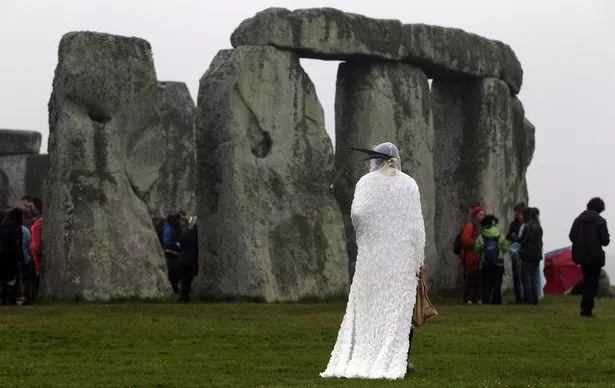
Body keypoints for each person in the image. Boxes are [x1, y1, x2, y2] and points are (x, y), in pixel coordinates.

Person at [321, 142, 425, 379]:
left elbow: (358, 214)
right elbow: (417, 226)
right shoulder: (409, 184)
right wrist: (419, 258)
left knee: (371, 306)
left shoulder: (366, 183)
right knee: (399, 309)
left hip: (374, 257)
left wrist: (368, 236)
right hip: (402, 257)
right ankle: (399, 358)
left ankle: (366, 354)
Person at [569, 197, 610, 317]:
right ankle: (587, 309)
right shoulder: (601, 221)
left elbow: (572, 236)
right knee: (592, 283)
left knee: (586, 280)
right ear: (600, 208)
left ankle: (584, 308)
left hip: (581, 256)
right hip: (595, 256)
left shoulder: (578, 220)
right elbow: (605, 241)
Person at [475, 215, 509, 304]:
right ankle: (497, 301)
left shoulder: (481, 236)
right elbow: (505, 248)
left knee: (486, 283)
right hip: (499, 263)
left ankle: (486, 300)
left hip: (485, 263)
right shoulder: (500, 235)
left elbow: (476, 248)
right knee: (497, 283)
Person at [518, 207, 543, 304]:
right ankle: (534, 299)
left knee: (526, 278)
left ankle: (528, 299)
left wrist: (515, 237)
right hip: (537, 255)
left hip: (527, 254)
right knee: (533, 278)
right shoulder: (539, 227)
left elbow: (522, 240)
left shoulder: (528, 226)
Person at [460, 206, 485, 304]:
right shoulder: (470, 226)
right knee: (471, 277)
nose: (482, 217)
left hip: (476, 255)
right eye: (481, 215)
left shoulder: (479, 226)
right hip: (470, 255)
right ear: (475, 216)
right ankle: (468, 298)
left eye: (483, 215)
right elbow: (465, 239)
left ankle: (475, 297)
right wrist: (476, 243)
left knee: (477, 277)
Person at [0, 208, 25, 305]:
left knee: (4, 278)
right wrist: (21, 259)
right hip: (11, 257)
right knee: (12, 278)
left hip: (2, 256)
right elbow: (17, 246)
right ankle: (10, 298)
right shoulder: (16, 228)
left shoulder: (3, 224)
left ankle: (3, 297)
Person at [507, 202, 526, 303]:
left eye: (520, 213)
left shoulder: (527, 225)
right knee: (516, 275)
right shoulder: (513, 224)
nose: (518, 216)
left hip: (524, 253)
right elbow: (509, 237)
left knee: (524, 276)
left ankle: (525, 297)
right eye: (517, 213)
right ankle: (519, 298)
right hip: (515, 253)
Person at [178, 216, 198, 303]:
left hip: (183, 258)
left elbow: (181, 242)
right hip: (192, 259)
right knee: (188, 279)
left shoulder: (187, 232)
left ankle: (183, 296)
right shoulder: (196, 235)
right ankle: (186, 297)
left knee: (184, 279)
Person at [162, 213, 182, 294]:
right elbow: (167, 243)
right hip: (171, 254)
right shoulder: (169, 230)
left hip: (172, 254)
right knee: (174, 272)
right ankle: (175, 289)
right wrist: (177, 245)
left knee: (174, 272)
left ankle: (175, 288)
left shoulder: (168, 228)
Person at [29, 198, 43, 301]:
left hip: (36, 254)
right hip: (36, 253)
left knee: (36, 278)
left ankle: (34, 297)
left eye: (31, 206)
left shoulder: (38, 223)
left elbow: (37, 243)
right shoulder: (38, 222)